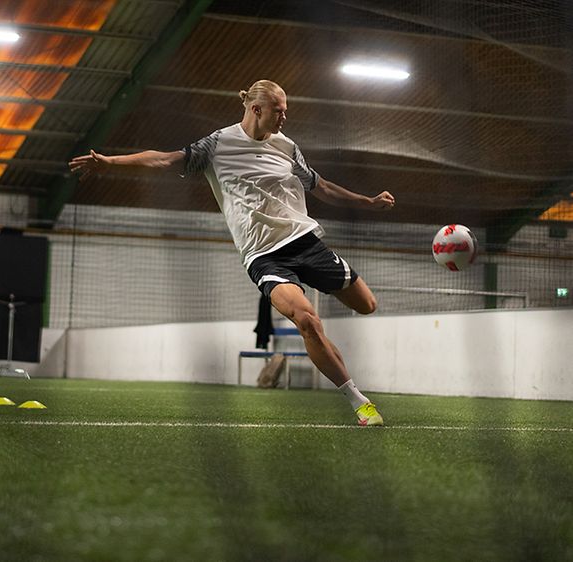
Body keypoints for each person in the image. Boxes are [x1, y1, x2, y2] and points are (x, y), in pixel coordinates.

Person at [68, 79, 395, 426]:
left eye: (286, 111)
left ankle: (329, 357)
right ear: (256, 109)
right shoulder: (218, 144)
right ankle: (360, 402)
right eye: (278, 111)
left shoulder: (287, 147)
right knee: (307, 321)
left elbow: (322, 186)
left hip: (305, 242)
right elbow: (163, 159)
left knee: (367, 305)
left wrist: (368, 202)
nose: (284, 117)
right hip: (264, 255)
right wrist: (111, 162)